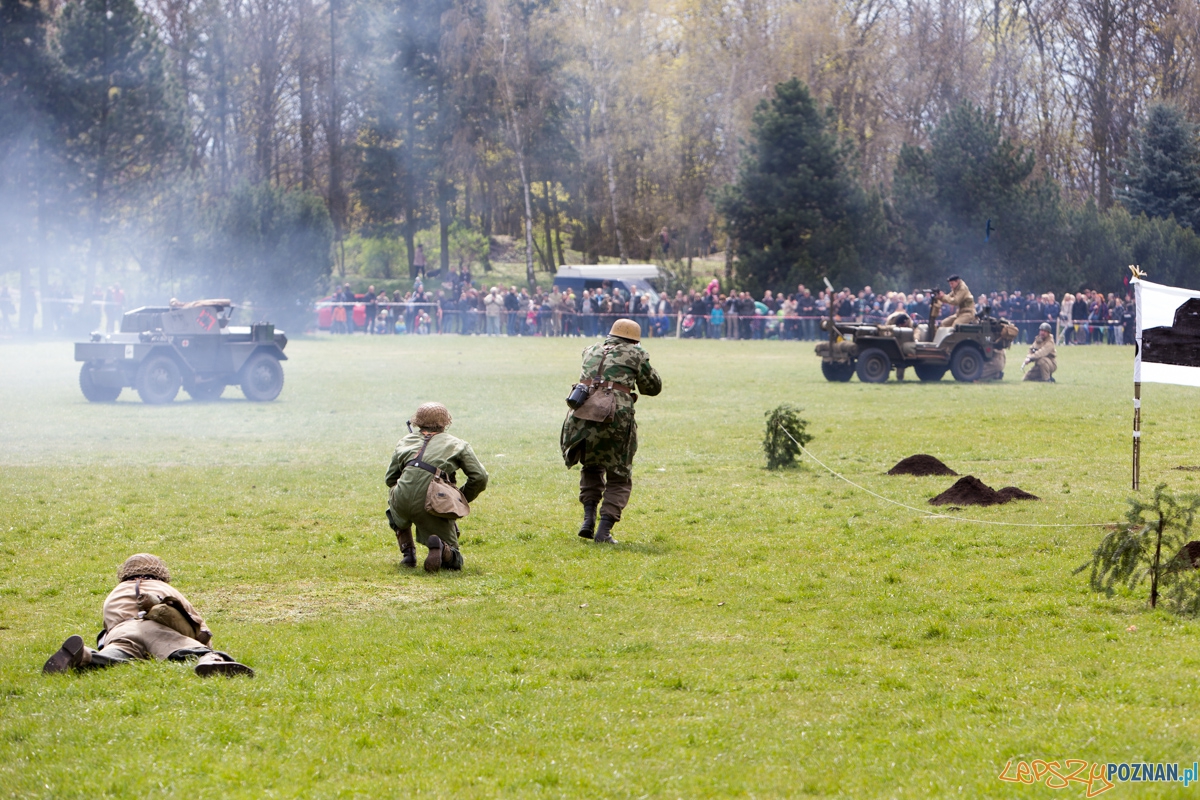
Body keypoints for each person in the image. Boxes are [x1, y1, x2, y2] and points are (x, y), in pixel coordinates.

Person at [42, 554, 253, 677]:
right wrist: (205, 646)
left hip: (122, 631)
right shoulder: (165, 588)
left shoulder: (115, 593)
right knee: (193, 649)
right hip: (159, 631)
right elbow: (199, 628)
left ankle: (84, 656)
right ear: (160, 571)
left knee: (116, 654)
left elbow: (108, 625)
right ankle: (209, 661)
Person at [560, 318, 662, 544]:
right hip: (615, 418)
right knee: (619, 475)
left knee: (591, 466)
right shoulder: (636, 353)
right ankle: (603, 531)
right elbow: (652, 387)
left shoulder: (591, 349)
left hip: (582, 413)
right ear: (634, 339)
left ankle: (588, 520)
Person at [385, 403, 489, 572]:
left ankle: (408, 554)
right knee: (455, 563)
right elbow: (480, 477)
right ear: (445, 423)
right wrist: (458, 498)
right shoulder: (458, 445)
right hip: (434, 503)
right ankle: (442, 548)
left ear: (417, 423)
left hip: (401, 500)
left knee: (393, 505)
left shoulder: (404, 441)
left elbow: (390, 479)